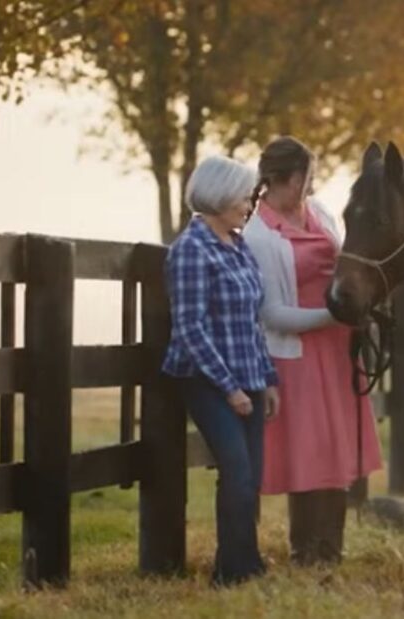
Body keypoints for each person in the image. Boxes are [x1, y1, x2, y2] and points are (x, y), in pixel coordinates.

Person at [242, 136, 382, 566]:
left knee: (336, 449)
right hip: (296, 355)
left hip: (338, 350)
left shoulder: (318, 213)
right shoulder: (260, 234)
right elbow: (273, 314)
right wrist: (334, 313)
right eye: (308, 176)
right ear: (290, 178)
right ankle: (305, 550)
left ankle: (331, 549)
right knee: (308, 454)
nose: (313, 183)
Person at [161, 155, 280, 587]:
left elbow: (252, 320)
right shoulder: (191, 250)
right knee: (237, 470)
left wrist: (266, 379)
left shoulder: (237, 243)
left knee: (250, 477)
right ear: (221, 195)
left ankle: (244, 562)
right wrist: (230, 389)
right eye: (245, 197)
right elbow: (190, 328)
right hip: (207, 380)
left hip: (248, 375)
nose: (250, 205)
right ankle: (231, 571)